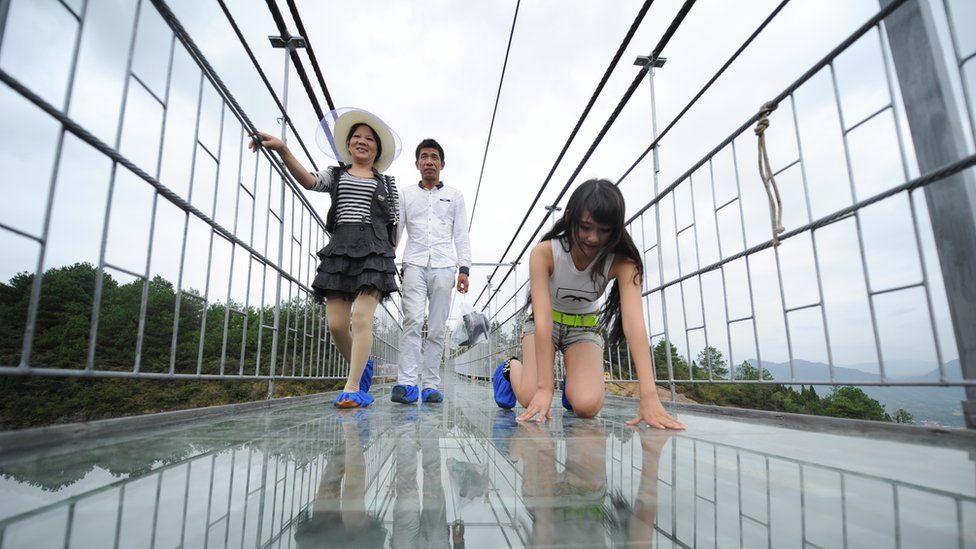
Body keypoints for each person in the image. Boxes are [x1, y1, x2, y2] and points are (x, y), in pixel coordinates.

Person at [493, 178, 685, 429]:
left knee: (587, 406)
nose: (593, 238)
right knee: (532, 397)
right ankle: (509, 369)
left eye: (604, 230)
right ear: (571, 218)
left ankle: (573, 389)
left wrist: (648, 396)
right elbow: (542, 319)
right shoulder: (545, 252)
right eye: (585, 227)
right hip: (545, 324)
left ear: (615, 229)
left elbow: (634, 324)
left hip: (584, 328)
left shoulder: (624, 263)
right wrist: (544, 387)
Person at [249, 108, 400, 408]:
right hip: (341, 249)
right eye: (356, 136)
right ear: (347, 144)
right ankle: (363, 364)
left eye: (369, 139)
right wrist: (283, 149)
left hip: (374, 252)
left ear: (377, 149)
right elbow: (308, 180)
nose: (362, 141)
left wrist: (390, 256)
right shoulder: (336, 174)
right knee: (335, 324)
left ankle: (353, 387)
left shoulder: (387, 184)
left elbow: (393, 225)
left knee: (361, 318)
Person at [392, 139, 472, 404]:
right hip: (413, 263)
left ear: (442, 164)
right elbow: (397, 231)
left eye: (434, 157)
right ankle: (406, 384)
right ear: (417, 164)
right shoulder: (404, 194)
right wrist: (386, 258)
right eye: (424, 157)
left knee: (437, 329)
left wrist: (464, 269)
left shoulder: (455, 195)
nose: (429, 161)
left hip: (444, 266)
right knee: (412, 321)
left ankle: (429, 385)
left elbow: (461, 234)